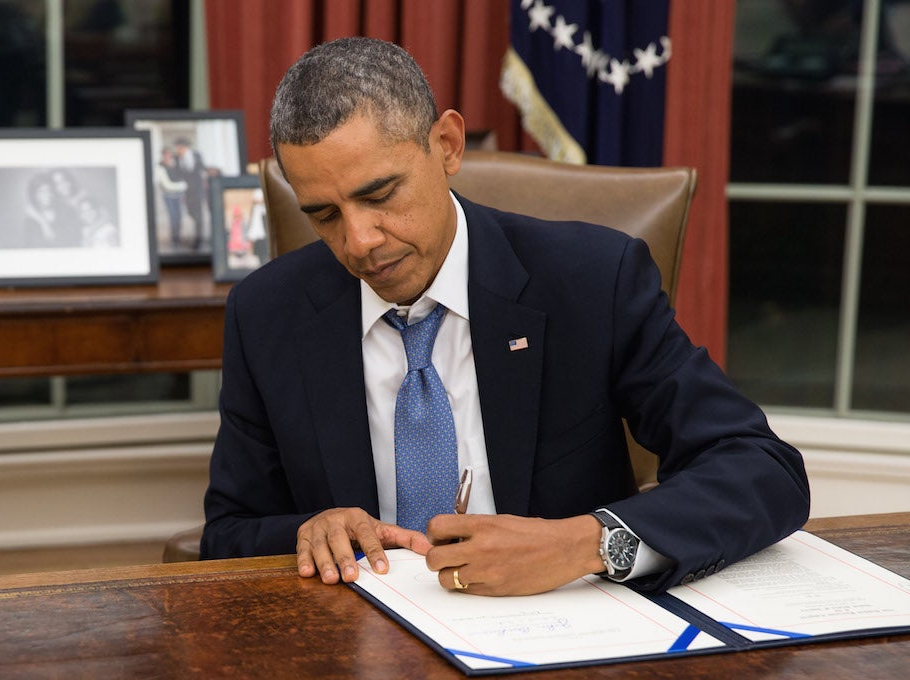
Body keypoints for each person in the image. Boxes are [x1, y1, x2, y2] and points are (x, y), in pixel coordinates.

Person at [201, 37, 810, 597]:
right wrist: (310, 531)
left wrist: (585, 543)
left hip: (564, 629)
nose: (359, 241)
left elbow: (762, 470)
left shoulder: (591, 280)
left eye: (379, 195)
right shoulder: (266, 313)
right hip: (360, 639)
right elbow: (227, 534)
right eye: (324, 215)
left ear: (447, 146)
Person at [172, 137, 209, 250]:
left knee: (199, 216)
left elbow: (202, 169)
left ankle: (199, 239)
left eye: (178, 147)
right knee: (191, 213)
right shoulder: (177, 159)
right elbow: (177, 174)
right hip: (186, 191)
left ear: (184, 147)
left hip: (197, 190)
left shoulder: (196, 155)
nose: (177, 150)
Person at [156, 146, 187, 248]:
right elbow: (167, 184)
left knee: (179, 217)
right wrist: (181, 186)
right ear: (163, 155)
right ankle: (174, 240)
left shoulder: (176, 164)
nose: (168, 156)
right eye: (166, 154)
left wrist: (182, 187)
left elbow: (183, 177)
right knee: (173, 217)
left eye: (169, 154)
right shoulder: (160, 167)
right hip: (169, 196)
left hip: (179, 196)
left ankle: (178, 237)